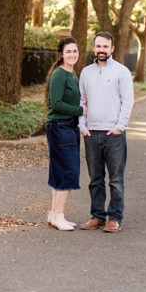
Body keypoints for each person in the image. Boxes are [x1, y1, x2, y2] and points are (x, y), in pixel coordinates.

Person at [77, 31, 134, 233]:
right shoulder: (86, 72)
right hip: (91, 133)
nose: (101, 50)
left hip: (113, 134)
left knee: (116, 180)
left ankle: (114, 218)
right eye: (98, 46)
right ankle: (97, 216)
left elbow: (127, 101)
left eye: (105, 47)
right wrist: (83, 127)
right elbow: (81, 102)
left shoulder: (122, 72)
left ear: (112, 49)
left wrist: (119, 127)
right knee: (95, 179)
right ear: (94, 48)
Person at [45, 37, 84, 231]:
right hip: (60, 126)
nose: (72, 55)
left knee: (59, 170)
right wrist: (81, 111)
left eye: (75, 51)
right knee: (68, 171)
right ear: (61, 54)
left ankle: (54, 214)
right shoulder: (60, 75)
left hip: (68, 126)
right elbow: (56, 104)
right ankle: (59, 215)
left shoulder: (72, 73)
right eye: (68, 51)